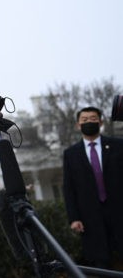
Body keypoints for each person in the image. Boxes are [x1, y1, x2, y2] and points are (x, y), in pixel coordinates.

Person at [63, 106, 123, 269]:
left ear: (101, 122)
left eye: (93, 119)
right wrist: (74, 218)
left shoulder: (118, 146)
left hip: (119, 212)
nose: (89, 122)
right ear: (78, 124)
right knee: (101, 263)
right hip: (90, 218)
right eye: (84, 120)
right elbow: (69, 188)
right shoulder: (70, 154)